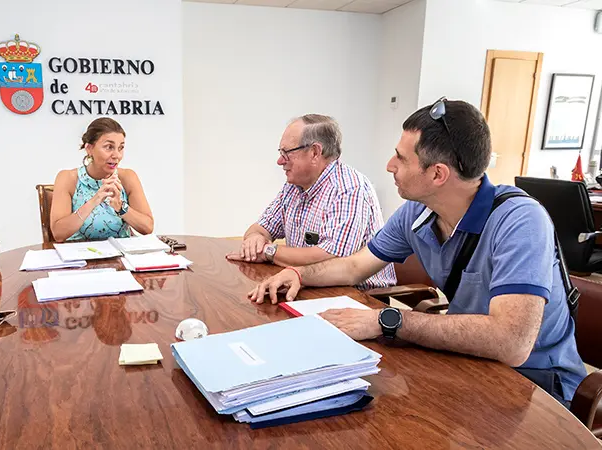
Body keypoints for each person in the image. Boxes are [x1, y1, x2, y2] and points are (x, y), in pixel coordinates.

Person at [247, 99, 586, 405]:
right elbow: (354, 267)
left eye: (401, 157)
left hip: (536, 389)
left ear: (437, 174)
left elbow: (512, 343)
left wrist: (386, 320)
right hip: (468, 364)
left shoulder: (521, 221)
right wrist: (297, 274)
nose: (389, 165)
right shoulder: (419, 211)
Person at [226, 114, 394, 289]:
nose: (280, 161)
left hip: (357, 297)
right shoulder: (293, 186)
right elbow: (260, 228)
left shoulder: (350, 189)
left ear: (314, 152)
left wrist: (268, 251)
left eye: (287, 153)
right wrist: (255, 240)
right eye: (280, 153)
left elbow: (331, 258)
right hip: (305, 283)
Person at [50, 118, 154, 241]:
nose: (117, 155)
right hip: (81, 255)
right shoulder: (67, 178)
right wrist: (94, 201)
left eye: (120, 148)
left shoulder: (127, 177)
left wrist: (120, 206)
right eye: (109, 147)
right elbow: (58, 234)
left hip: (120, 255)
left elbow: (147, 227)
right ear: (89, 148)